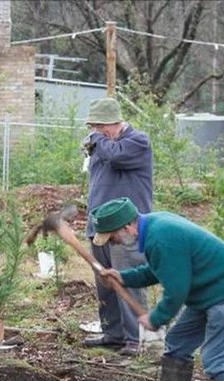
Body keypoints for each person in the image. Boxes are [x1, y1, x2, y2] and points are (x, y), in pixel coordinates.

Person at [93, 197, 224, 381]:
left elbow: (177, 289)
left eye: (113, 237)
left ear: (127, 227)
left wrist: (156, 318)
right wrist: (123, 277)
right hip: (204, 292)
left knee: (217, 357)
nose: (114, 243)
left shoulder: (162, 237)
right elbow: (159, 270)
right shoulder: (153, 229)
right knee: (178, 341)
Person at [82, 97, 153, 355]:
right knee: (106, 281)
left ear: (115, 122)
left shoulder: (137, 141)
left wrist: (97, 140)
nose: (97, 133)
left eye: (101, 127)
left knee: (128, 280)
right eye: (94, 127)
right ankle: (113, 334)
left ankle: (135, 338)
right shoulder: (102, 146)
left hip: (127, 229)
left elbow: (116, 157)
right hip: (100, 226)